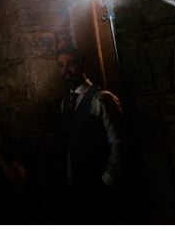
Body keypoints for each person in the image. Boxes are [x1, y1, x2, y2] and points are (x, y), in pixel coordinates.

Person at [56, 46, 127, 223]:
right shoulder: (65, 103)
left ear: (81, 65)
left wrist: (108, 180)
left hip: (102, 185)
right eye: (61, 66)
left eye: (71, 64)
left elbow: (119, 141)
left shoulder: (101, 98)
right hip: (79, 187)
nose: (65, 71)